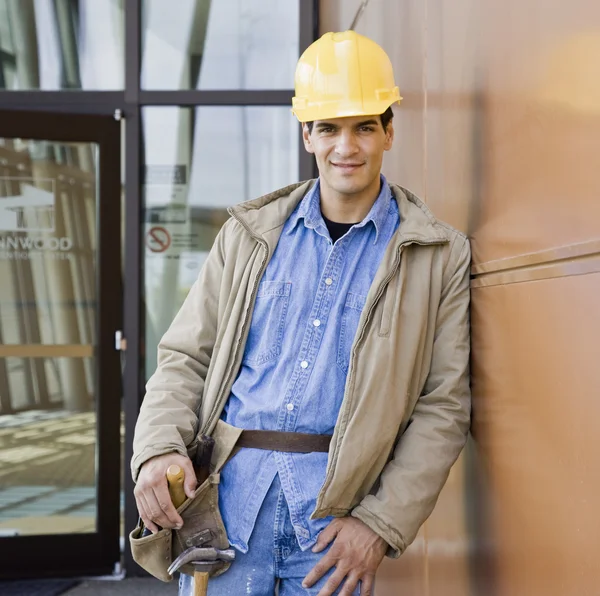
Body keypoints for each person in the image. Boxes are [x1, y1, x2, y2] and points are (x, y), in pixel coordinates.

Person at [132, 31, 471, 596]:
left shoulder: (437, 255)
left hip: (334, 535)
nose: (347, 147)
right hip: (226, 519)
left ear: (389, 131)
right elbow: (185, 356)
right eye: (329, 128)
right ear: (307, 134)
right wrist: (159, 448)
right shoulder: (248, 236)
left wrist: (378, 522)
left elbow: (444, 405)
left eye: (364, 126)